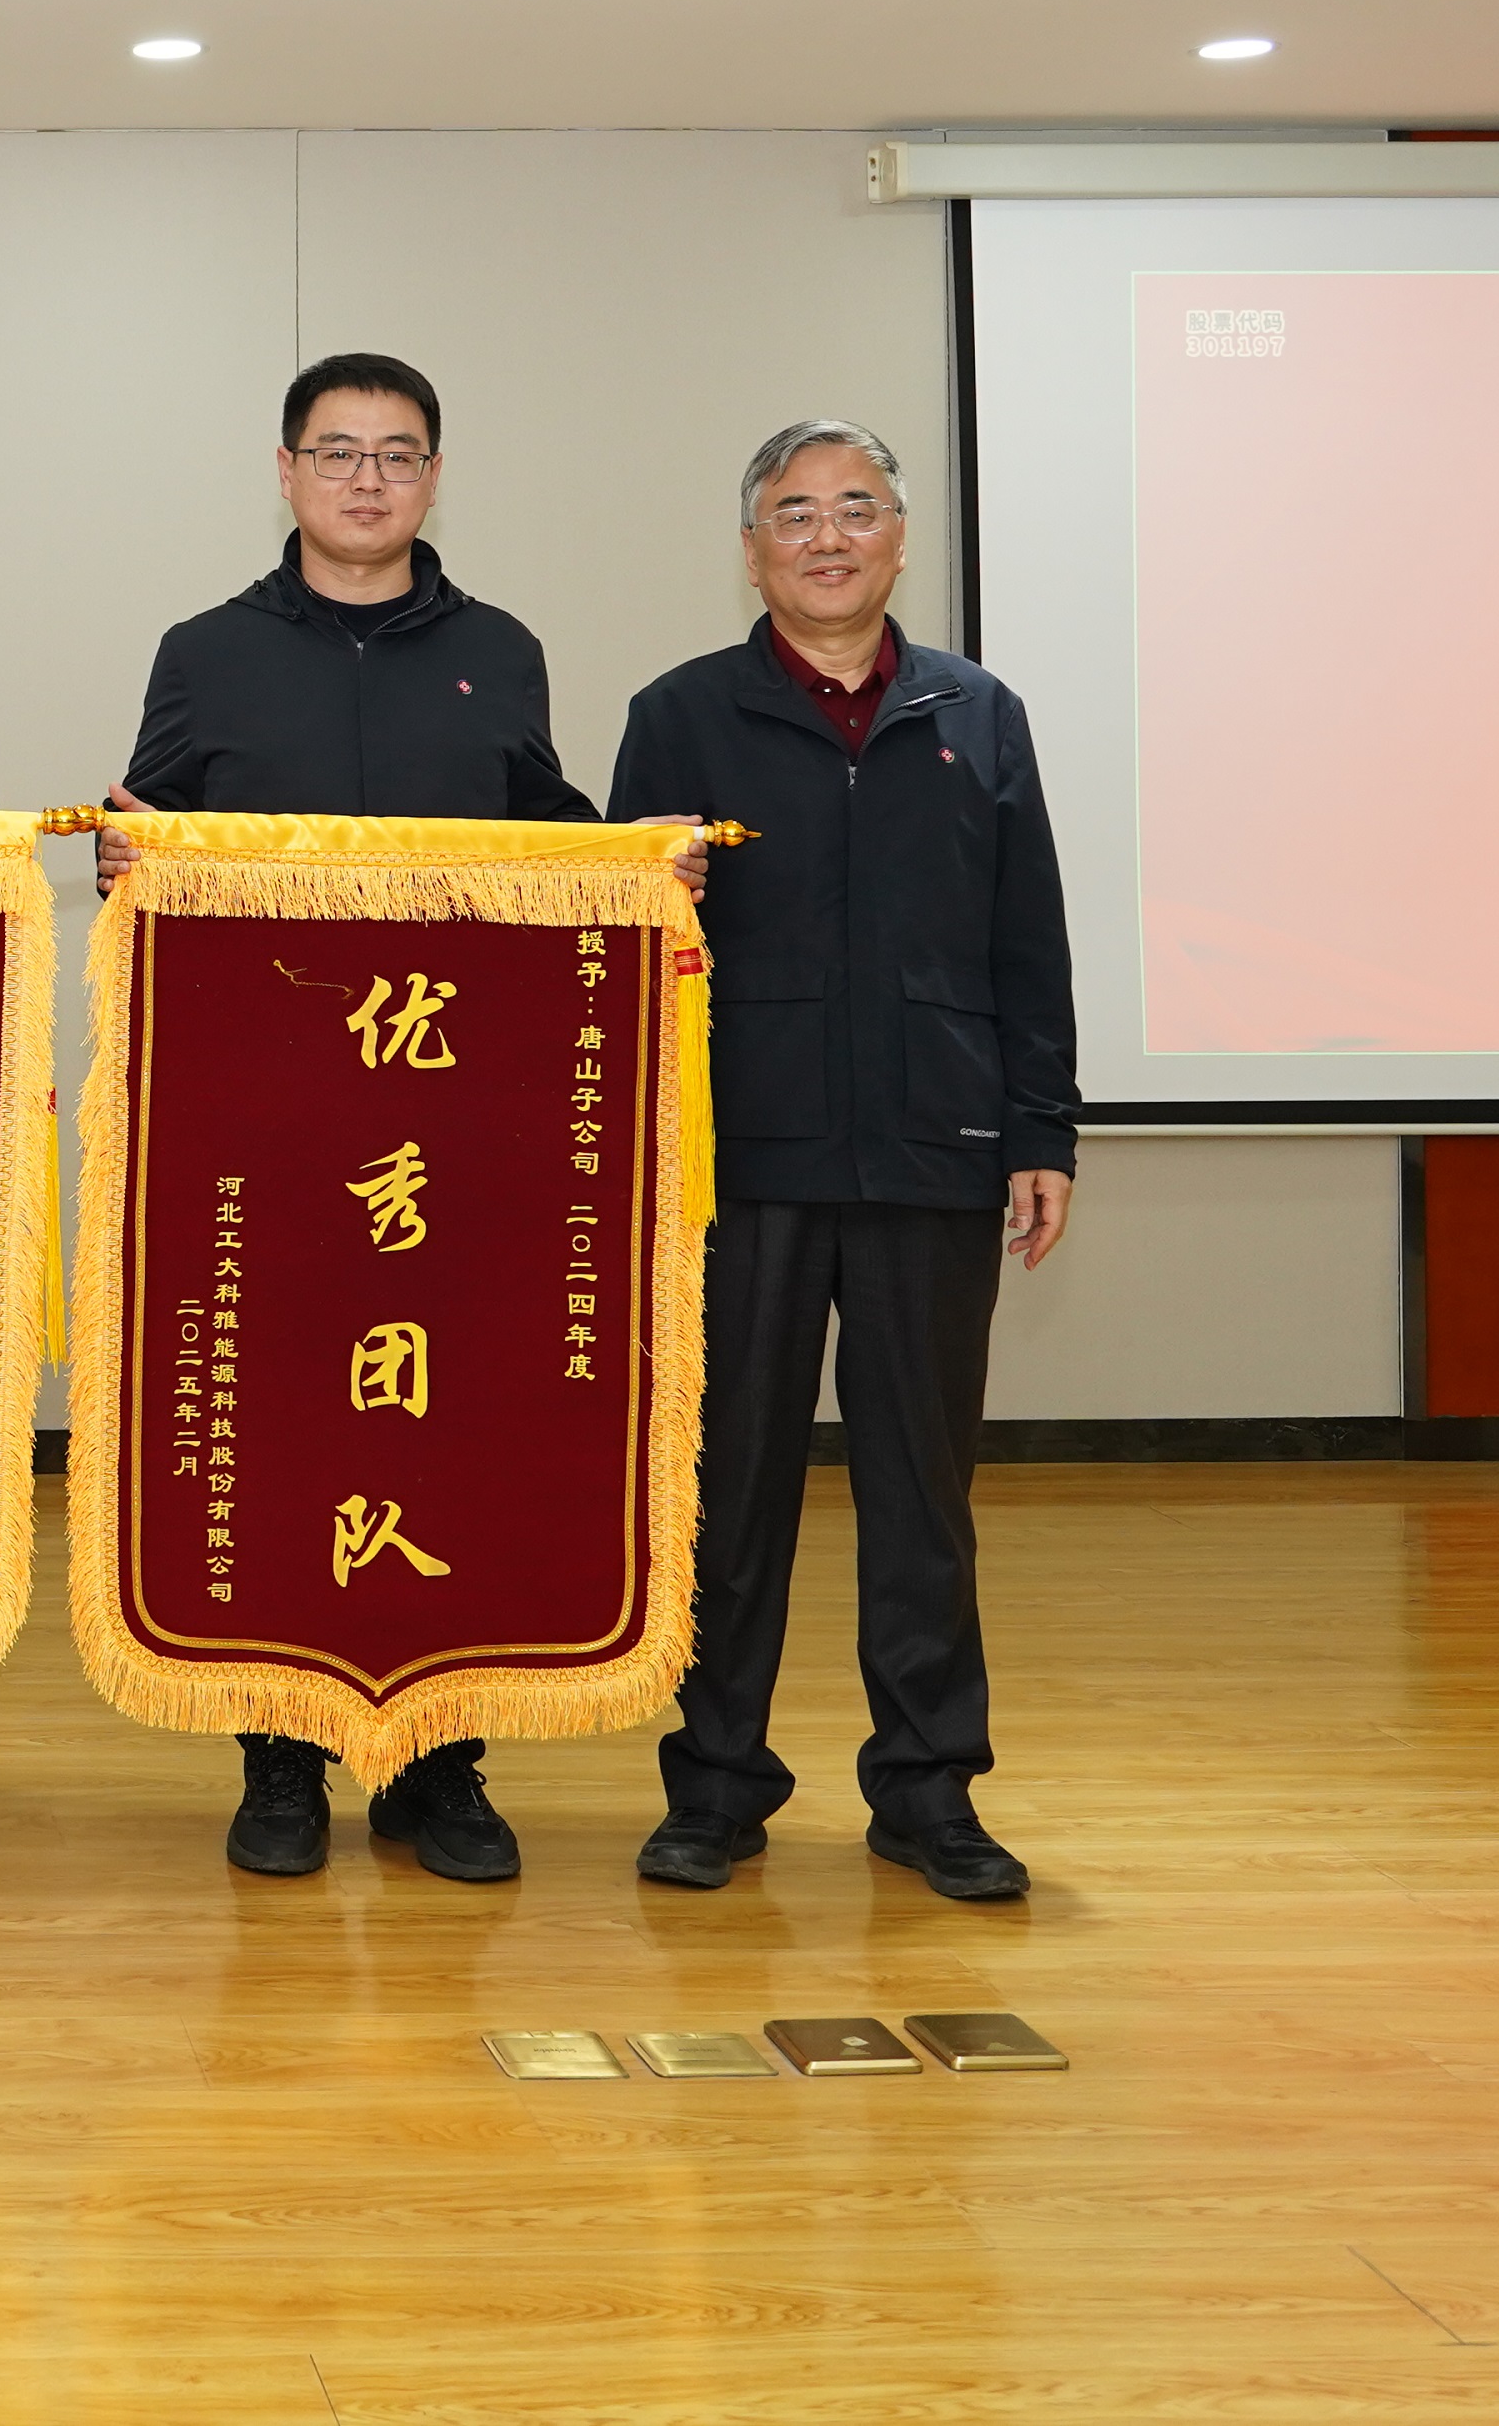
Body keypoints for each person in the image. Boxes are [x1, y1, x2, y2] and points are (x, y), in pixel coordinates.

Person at [103, 349, 702, 1887]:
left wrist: (638, 863)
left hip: (458, 1132)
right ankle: (280, 1756)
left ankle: (443, 1762)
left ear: (434, 477)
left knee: (456, 1424)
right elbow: (150, 831)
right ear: (286, 470)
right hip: (270, 1130)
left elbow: (547, 841)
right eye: (338, 451)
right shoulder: (206, 652)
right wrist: (125, 859)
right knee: (279, 1425)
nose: (367, 479)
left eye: (397, 453)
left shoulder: (499, 650)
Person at [604, 420, 1074, 1908]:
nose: (827, 537)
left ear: (898, 538)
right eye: (795, 513)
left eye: (855, 509)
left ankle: (929, 1792)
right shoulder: (682, 714)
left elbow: (1026, 939)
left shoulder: (977, 714)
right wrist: (648, 882)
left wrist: (1041, 1130)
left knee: (921, 1494)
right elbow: (616, 949)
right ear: (751, 548)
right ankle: (715, 1788)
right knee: (729, 1487)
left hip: (935, 1150)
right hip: (739, 1156)